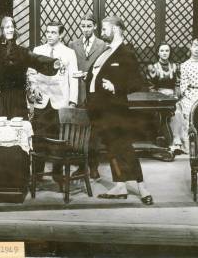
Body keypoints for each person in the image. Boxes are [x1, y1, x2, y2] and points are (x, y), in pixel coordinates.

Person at [0, 15, 59, 188]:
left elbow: (36, 59)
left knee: (17, 139)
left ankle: (16, 180)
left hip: (17, 102)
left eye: (12, 26)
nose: (10, 29)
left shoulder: (21, 51)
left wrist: (54, 63)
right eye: (6, 27)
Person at [85, 16, 153, 205]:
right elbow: (96, 74)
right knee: (111, 147)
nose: (102, 32)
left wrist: (116, 87)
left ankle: (142, 188)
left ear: (116, 29)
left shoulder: (126, 53)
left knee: (124, 147)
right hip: (99, 109)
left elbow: (137, 82)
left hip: (115, 109)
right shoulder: (105, 50)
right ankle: (120, 185)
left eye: (105, 28)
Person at [28, 21, 79, 181]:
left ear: (61, 34)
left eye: (53, 32)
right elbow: (31, 73)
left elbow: (74, 78)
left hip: (60, 101)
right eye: (48, 32)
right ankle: (37, 174)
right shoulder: (38, 50)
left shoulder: (69, 53)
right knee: (39, 137)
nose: (49, 35)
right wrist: (33, 91)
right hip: (41, 101)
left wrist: (72, 101)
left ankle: (58, 173)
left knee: (58, 139)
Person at [69, 13, 107, 179]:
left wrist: (92, 76)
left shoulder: (103, 45)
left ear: (95, 27)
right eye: (83, 26)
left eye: (88, 26)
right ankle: (80, 166)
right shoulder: (73, 44)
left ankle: (94, 166)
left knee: (94, 132)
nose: (85, 29)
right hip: (78, 92)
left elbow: (105, 69)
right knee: (79, 131)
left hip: (94, 93)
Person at [146, 42, 184, 151]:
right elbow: (151, 87)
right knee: (162, 115)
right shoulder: (153, 68)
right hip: (159, 97)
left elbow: (177, 84)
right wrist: (157, 98)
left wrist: (175, 96)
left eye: (167, 51)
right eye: (162, 51)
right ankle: (168, 141)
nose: (164, 53)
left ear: (170, 52)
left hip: (172, 96)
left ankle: (176, 140)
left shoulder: (175, 67)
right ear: (158, 53)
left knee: (177, 112)